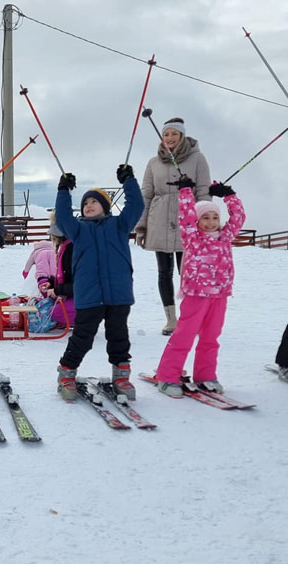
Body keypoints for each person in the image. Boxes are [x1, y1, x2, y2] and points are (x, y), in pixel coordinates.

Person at [54, 165, 144, 400]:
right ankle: (66, 372)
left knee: (119, 337)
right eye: (85, 203)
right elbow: (63, 217)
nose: (89, 205)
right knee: (82, 337)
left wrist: (129, 181)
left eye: (94, 202)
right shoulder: (78, 230)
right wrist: (63, 190)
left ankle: (121, 376)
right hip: (89, 295)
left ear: (105, 206)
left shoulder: (120, 225)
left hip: (118, 294)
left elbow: (136, 206)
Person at [155, 179, 245, 396]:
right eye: (205, 217)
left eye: (215, 217)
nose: (211, 222)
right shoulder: (192, 237)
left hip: (220, 294)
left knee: (211, 337)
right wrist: (186, 192)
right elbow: (185, 217)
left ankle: (206, 375)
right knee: (185, 335)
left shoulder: (225, 237)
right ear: (197, 220)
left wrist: (229, 195)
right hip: (196, 294)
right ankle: (167, 376)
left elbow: (238, 218)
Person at [134, 117, 211, 335]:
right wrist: (141, 226)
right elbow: (146, 194)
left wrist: (205, 224)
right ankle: (171, 320)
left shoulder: (198, 159)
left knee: (188, 273)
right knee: (164, 272)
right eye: (166, 134)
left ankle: (191, 317)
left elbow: (203, 192)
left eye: (173, 134)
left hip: (187, 221)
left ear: (182, 136)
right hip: (159, 219)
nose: (169, 138)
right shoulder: (153, 162)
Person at [47, 215, 75, 328]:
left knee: (55, 312)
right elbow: (66, 275)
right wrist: (51, 283)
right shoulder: (66, 247)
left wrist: (57, 290)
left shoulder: (72, 250)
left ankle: (82, 319)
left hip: (88, 297)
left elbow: (80, 284)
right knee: (47, 294)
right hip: (74, 291)